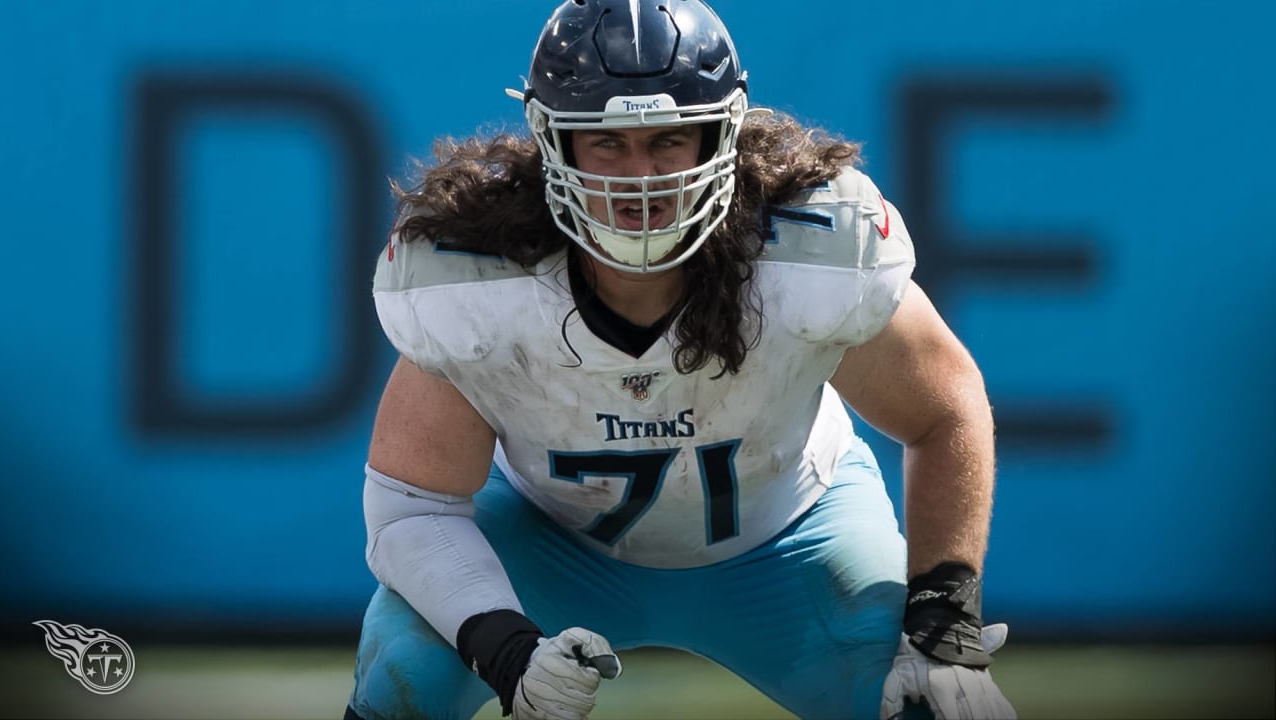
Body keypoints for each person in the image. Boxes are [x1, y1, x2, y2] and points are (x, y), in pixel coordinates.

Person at [346, 0, 1017, 718]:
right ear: (556, 144)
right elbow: (414, 505)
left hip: (791, 537)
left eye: (670, 139)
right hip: (551, 541)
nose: (640, 176)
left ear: (721, 138)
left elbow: (946, 410)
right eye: (608, 142)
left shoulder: (811, 254)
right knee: (405, 673)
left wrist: (945, 617)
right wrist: (503, 647)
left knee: (939, 703)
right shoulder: (479, 280)